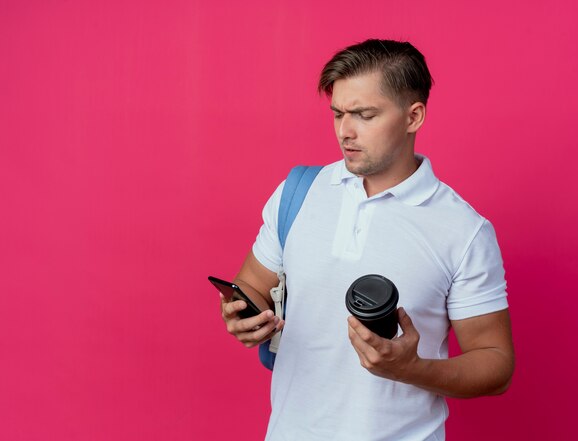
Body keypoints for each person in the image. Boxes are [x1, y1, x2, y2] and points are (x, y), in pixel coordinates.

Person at [220, 39, 514, 441]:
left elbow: (495, 364)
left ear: (414, 116)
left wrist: (411, 369)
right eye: (338, 113)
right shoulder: (298, 192)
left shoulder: (463, 230)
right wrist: (243, 316)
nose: (345, 131)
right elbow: (251, 283)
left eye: (365, 114)